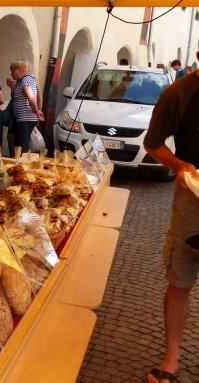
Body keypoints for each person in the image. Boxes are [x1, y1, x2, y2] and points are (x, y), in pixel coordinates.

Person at [143, 51, 199, 383]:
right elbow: (153, 143)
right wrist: (180, 166)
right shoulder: (177, 93)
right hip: (191, 199)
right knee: (179, 280)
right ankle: (171, 359)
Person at [7, 60, 44, 152]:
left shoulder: (26, 80)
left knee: (22, 147)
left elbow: (31, 97)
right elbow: (16, 97)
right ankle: (21, 163)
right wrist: (12, 88)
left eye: (12, 71)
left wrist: (37, 111)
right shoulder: (22, 81)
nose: (11, 74)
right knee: (20, 145)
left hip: (25, 119)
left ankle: (22, 165)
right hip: (23, 119)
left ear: (19, 70)